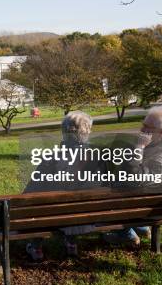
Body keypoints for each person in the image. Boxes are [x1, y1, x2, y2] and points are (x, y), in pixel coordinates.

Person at [104, 105, 162, 246]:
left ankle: (127, 234)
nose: (141, 130)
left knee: (110, 188)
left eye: (147, 127)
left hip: (154, 210)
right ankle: (142, 228)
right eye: (142, 125)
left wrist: (139, 147)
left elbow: (132, 179)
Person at [24, 110, 103, 260]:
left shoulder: (52, 158)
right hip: (88, 217)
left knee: (37, 207)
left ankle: (36, 247)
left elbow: (31, 191)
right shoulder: (99, 156)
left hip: (56, 216)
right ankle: (71, 243)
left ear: (63, 133)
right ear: (88, 132)